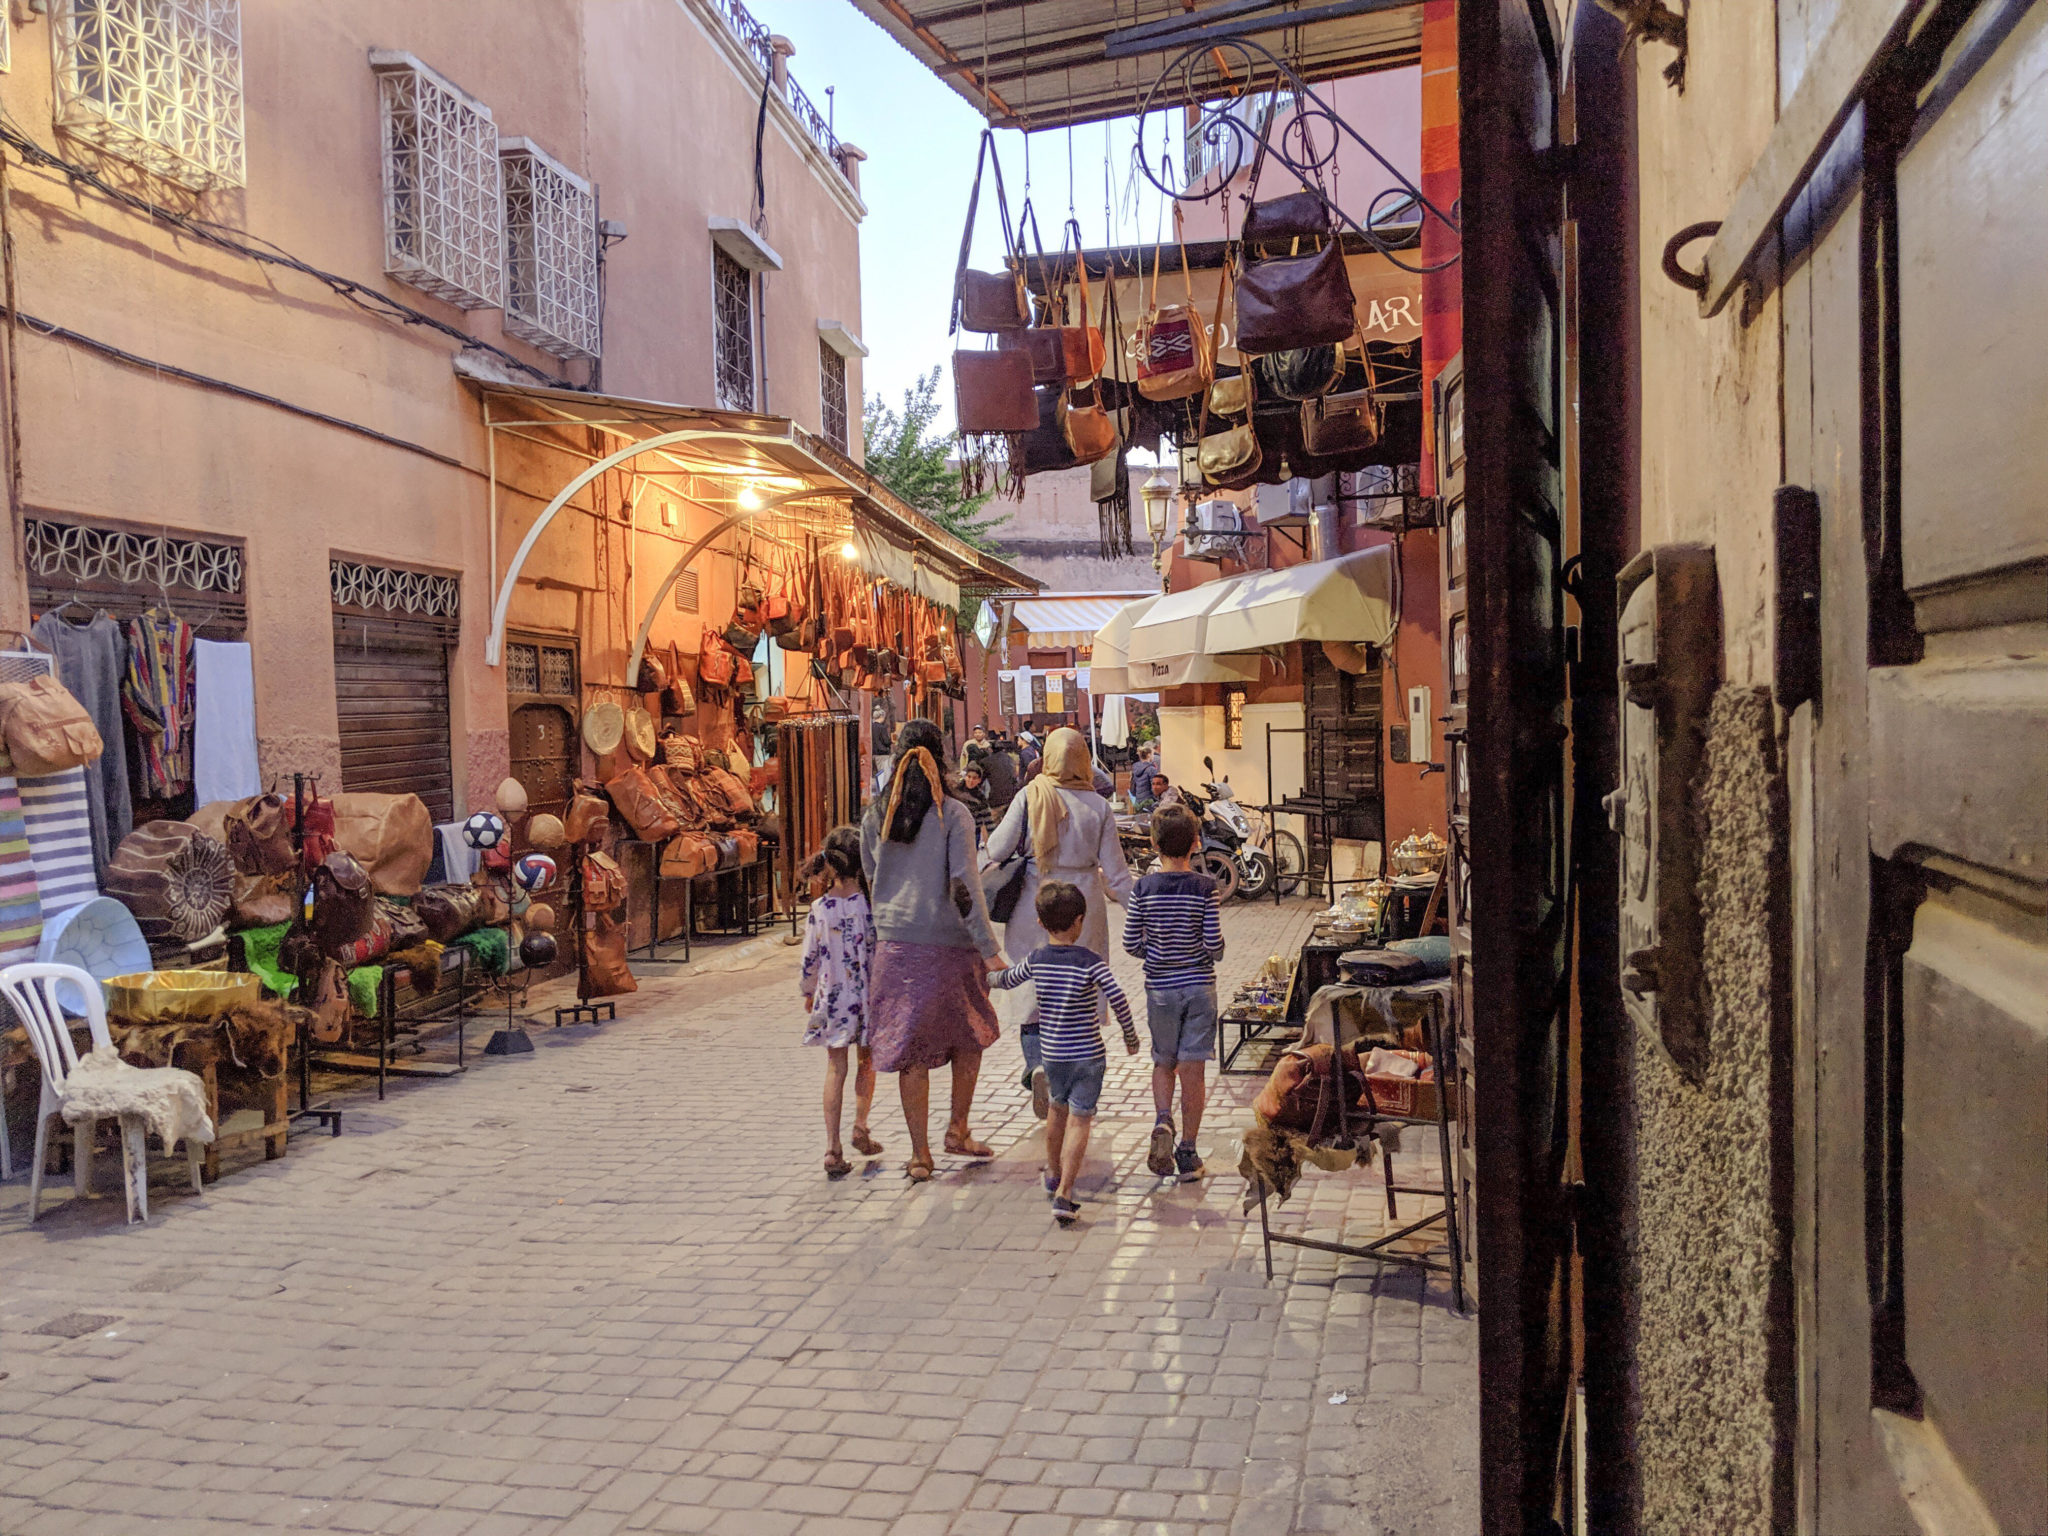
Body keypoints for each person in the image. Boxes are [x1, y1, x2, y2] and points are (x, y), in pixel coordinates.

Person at [860, 717, 1005, 1182]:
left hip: (896, 947)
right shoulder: (954, 814)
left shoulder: (874, 815)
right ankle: (958, 1130)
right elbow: (964, 884)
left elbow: (869, 877)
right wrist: (988, 947)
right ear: (940, 758)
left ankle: (921, 1155)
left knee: (912, 1051)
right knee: (971, 1034)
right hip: (951, 945)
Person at [984, 725, 1135, 1117]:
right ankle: (1076, 1079)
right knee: (1080, 990)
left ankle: (1038, 1065)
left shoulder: (1029, 796)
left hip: (1035, 903)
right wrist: (1141, 914)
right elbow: (1117, 874)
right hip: (1084, 904)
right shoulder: (1099, 806)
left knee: (1033, 993)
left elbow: (997, 847)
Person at [991, 881, 1137, 1225]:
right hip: (1088, 1055)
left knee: (1057, 1110)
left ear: (1040, 923)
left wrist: (983, 978)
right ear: (1080, 921)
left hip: (1052, 1053)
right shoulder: (1091, 962)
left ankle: (1054, 1172)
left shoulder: (1037, 960)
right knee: (1081, 1119)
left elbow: (1008, 979)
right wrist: (1130, 1037)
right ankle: (1065, 1192)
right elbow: (1117, 996)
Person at [1122, 803, 1225, 1182]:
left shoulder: (1143, 888)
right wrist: (1214, 950)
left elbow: (1131, 942)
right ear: (1196, 844)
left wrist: (1158, 952)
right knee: (1193, 1070)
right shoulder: (1206, 888)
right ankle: (1188, 1153)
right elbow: (1213, 940)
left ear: (1153, 843)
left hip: (1160, 990)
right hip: (1199, 988)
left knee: (1163, 1061)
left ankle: (1163, 1121)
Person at [799, 827, 882, 1178]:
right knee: (867, 1062)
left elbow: (809, 959)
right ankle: (860, 1125)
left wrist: (808, 991)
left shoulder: (820, 908)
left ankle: (832, 1148)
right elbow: (879, 952)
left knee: (835, 1069)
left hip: (832, 998)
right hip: (865, 997)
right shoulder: (870, 905)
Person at [958, 762, 994, 844]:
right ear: (965, 777)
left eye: (974, 778)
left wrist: (992, 837)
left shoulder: (980, 797)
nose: (971, 781)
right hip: (958, 831)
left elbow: (988, 819)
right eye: (969, 777)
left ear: (979, 780)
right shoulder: (956, 793)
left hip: (973, 833)